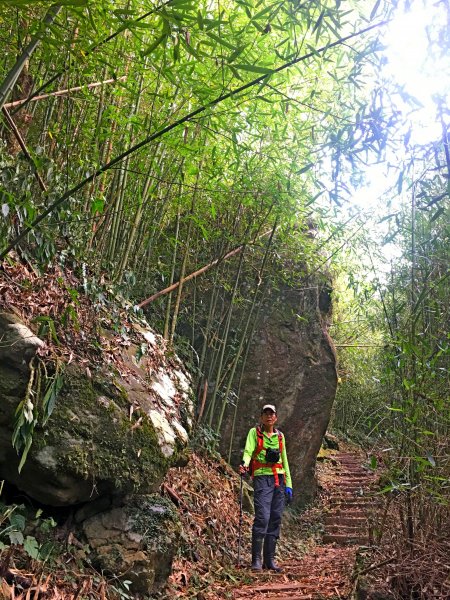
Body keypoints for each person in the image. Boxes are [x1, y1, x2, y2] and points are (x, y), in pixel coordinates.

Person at [239, 404, 293, 572]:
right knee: (262, 516)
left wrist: (289, 484)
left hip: (279, 479)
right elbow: (248, 452)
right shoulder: (254, 433)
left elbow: (285, 461)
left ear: (276, 417)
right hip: (262, 478)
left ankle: (269, 560)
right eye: (266, 414)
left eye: (272, 414)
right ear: (261, 417)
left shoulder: (280, 437)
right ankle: (256, 559)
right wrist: (244, 464)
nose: (269, 416)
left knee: (276, 517)